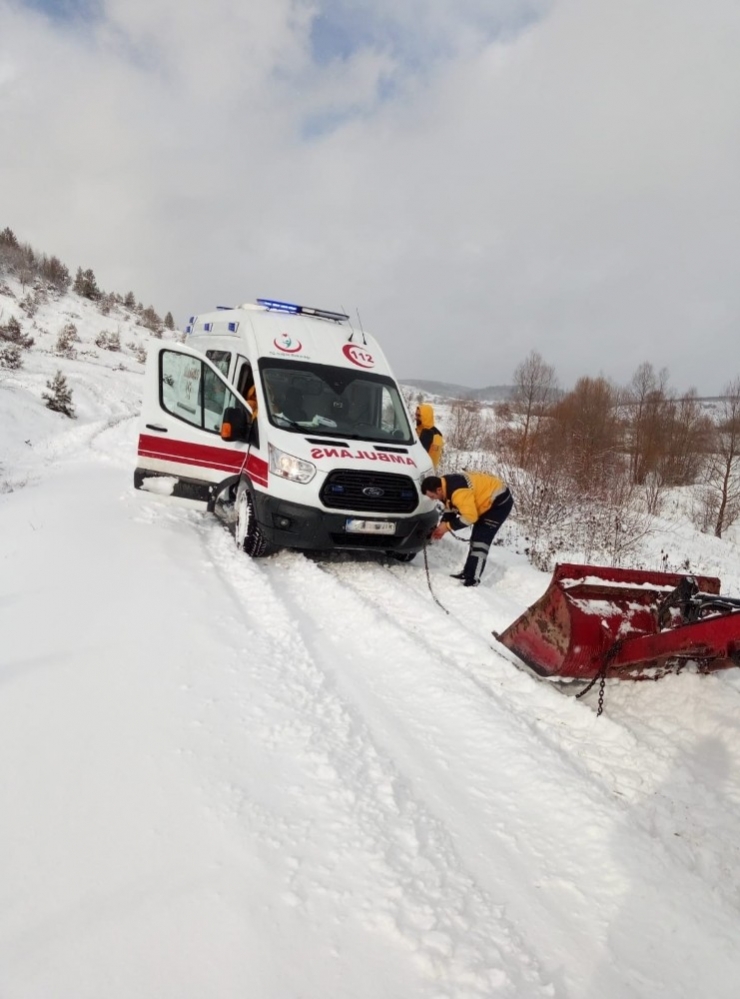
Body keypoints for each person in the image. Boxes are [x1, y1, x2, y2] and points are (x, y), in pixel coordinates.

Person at [422, 471, 513, 587]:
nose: (432, 499)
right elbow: (450, 505)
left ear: (438, 490)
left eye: (432, 496)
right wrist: (444, 523)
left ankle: (473, 579)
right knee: (475, 538)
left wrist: (448, 526)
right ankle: (467, 573)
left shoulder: (458, 492)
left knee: (481, 541)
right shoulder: (444, 484)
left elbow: (470, 517)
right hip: (485, 500)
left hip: (499, 504)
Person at [415, 403, 444, 470]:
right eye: (416, 415)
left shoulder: (430, 434)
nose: (416, 418)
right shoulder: (419, 430)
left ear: (425, 416)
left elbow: (420, 456)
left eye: (419, 415)